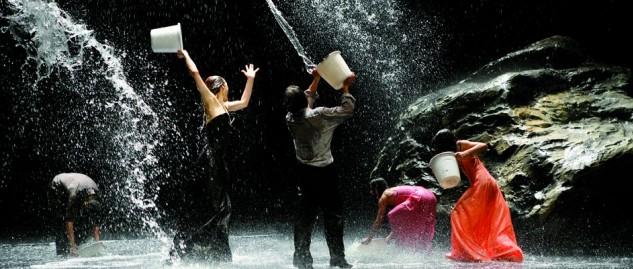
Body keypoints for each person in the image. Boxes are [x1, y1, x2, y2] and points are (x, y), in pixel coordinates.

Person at [171, 49, 259, 262]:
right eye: (227, 84)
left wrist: (250, 79)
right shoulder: (210, 102)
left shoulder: (225, 106)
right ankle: (201, 249)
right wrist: (186, 55)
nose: (229, 87)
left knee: (222, 207)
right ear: (221, 87)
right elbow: (195, 74)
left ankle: (211, 251)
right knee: (219, 208)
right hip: (209, 161)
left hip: (218, 163)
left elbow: (245, 102)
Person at [285, 67, 356, 269]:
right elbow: (347, 109)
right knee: (333, 215)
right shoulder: (321, 116)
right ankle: (337, 258)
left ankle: (302, 259)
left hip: (304, 173)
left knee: (304, 217)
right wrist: (345, 88)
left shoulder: (290, 119)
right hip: (325, 172)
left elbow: (305, 100)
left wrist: (316, 79)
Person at [431, 129, 523, 262]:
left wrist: (464, 153)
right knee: (485, 218)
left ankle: (467, 253)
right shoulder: (451, 153)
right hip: (486, 182)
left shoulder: (461, 145)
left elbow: (483, 145)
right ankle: (482, 250)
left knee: (457, 212)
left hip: (483, 182)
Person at [362, 178, 436, 251]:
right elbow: (402, 221)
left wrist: (369, 239)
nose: (371, 192)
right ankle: (423, 251)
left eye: (372, 189)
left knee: (393, 215)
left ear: (376, 189)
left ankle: (404, 249)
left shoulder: (385, 196)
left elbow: (378, 221)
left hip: (419, 196)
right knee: (423, 223)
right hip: (430, 196)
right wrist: (389, 237)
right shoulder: (394, 191)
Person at [48, 173, 101, 256]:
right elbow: (69, 220)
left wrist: (97, 244)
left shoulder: (96, 195)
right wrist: (72, 247)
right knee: (63, 219)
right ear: (85, 202)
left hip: (79, 184)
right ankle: (63, 250)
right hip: (57, 186)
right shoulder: (74, 195)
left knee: (80, 218)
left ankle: (76, 243)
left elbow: (96, 223)